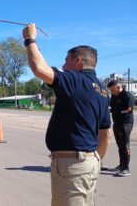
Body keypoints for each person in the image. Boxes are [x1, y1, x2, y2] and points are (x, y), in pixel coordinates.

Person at [22, 24, 112, 206]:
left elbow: (39, 68)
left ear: (77, 60)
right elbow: (105, 135)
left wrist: (30, 39)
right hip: (91, 162)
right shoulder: (102, 91)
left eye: (66, 60)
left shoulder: (74, 80)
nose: (63, 65)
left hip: (73, 166)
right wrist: (96, 162)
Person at [107, 80, 134, 176]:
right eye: (110, 90)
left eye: (112, 90)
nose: (111, 92)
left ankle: (126, 168)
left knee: (125, 146)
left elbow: (128, 110)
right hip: (117, 124)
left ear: (118, 87)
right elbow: (112, 108)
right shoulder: (114, 96)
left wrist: (116, 111)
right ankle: (121, 165)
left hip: (125, 124)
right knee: (120, 147)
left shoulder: (127, 95)